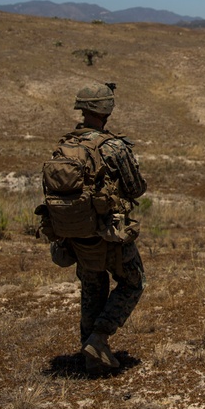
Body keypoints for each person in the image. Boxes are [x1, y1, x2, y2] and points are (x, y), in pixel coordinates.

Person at [36, 82, 146, 372]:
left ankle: (90, 355)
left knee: (92, 288)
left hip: (75, 236)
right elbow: (136, 189)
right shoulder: (113, 147)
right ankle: (98, 339)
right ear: (107, 109)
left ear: (82, 109)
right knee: (134, 283)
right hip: (109, 234)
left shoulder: (65, 145)